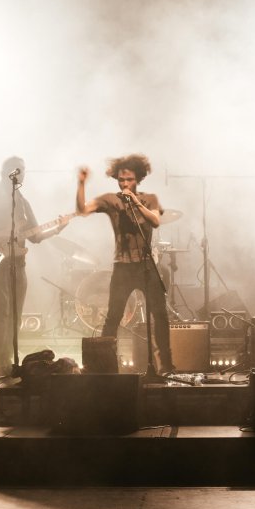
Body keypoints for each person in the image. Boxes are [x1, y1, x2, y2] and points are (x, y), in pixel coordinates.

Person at [0, 156, 67, 376]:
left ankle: (8, 359)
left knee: (15, 314)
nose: (23, 175)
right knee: (1, 312)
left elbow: (35, 236)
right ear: (6, 172)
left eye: (24, 171)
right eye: (19, 171)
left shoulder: (22, 201)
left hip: (18, 263)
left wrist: (57, 228)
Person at [75, 154, 174, 374]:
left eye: (128, 179)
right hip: (122, 266)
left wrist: (135, 201)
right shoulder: (111, 199)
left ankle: (165, 365)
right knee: (113, 316)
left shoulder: (150, 199)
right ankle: (103, 367)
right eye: (121, 179)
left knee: (159, 315)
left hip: (146, 266)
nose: (124, 184)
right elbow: (83, 210)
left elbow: (155, 221)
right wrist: (81, 184)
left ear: (138, 178)